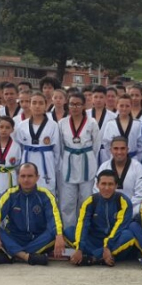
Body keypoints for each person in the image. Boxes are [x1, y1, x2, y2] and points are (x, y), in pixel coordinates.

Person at [0, 163, 65, 265]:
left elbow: (54, 218)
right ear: (18, 177)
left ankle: (13, 254)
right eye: (23, 176)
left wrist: (59, 235)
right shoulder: (10, 194)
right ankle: (25, 256)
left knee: (55, 233)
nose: (26, 180)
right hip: (15, 237)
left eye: (30, 176)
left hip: (38, 239)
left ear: (37, 177)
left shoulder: (46, 195)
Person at [64, 170, 135, 266]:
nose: (106, 188)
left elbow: (120, 228)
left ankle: (93, 258)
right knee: (69, 231)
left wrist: (107, 246)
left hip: (113, 241)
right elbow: (83, 224)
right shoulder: (90, 201)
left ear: (116, 186)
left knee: (128, 235)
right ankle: (102, 258)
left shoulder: (123, 202)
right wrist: (79, 248)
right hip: (94, 241)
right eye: (103, 184)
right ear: (97, 185)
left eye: (110, 184)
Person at [58, 92, 100, 227]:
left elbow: (97, 146)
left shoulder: (92, 122)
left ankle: (84, 231)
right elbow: (60, 146)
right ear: (68, 105)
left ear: (84, 106)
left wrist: (88, 157)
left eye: (78, 104)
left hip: (87, 163)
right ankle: (69, 232)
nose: (75, 107)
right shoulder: (62, 123)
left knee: (86, 200)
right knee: (67, 202)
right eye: (72, 104)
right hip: (68, 163)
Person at [15, 93, 61, 193]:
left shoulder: (53, 125)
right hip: (27, 158)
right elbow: (18, 147)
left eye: (40, 103)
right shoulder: (22, 125)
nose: (37, 106)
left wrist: (54, 166)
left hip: (46, 161)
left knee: (46, 190)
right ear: (30, 105)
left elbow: (57, 150)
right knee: (27, 188)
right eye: (34, 103)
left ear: (46, 105)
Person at [93, 137, 142, 217]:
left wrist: (123, 207)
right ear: (110, 150)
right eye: (116, 148)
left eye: (122, 149)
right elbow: (96, 189)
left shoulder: (137, 167)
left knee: (141, 208)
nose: (119, 152)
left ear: (127, 149)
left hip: (131, 208)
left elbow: (141, 194)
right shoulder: (104, 167)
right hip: (107, 207)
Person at [101, 94, 142, 163]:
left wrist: (137, 159)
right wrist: (112, 158)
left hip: (133, 159)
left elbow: (141, 145)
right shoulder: (110, 124)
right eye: (121, 106)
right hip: (115, 159)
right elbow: (106, 144)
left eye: (127, 106)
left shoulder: (138, 124)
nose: (124, 108)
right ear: (116, 106)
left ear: (131, 106)